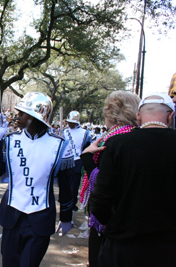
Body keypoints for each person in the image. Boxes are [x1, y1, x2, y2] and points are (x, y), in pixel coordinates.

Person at [0, 92, 74, 267]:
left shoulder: (60, 145)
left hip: (40, 218)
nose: (17, 117)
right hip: (12, 216)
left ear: (34, 117)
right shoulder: (11, 140)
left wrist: (66, 216)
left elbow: (66, 186)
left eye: (22, 113)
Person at [89, 92, 176, 267]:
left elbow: (99, 202)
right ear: (171, 116)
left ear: (139, 116)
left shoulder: (117, 144)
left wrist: (115, 225)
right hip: (168, 249)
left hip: (122, 247)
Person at [78, 91, 140, 267]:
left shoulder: (113, 142)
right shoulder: (136, 136)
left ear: (110, 114)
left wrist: (87, 158)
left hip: (110, 222)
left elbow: (101, 182)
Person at [59, 111, 91, 213]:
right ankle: (63, 203)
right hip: (64, 162)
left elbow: (87, 147)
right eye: (68, 122)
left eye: (71, 122)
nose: (69, 124)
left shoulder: (85, 133)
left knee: (73, 186)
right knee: (64, 185)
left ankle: (72, 205)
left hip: (77, 162)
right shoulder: (64, 131)